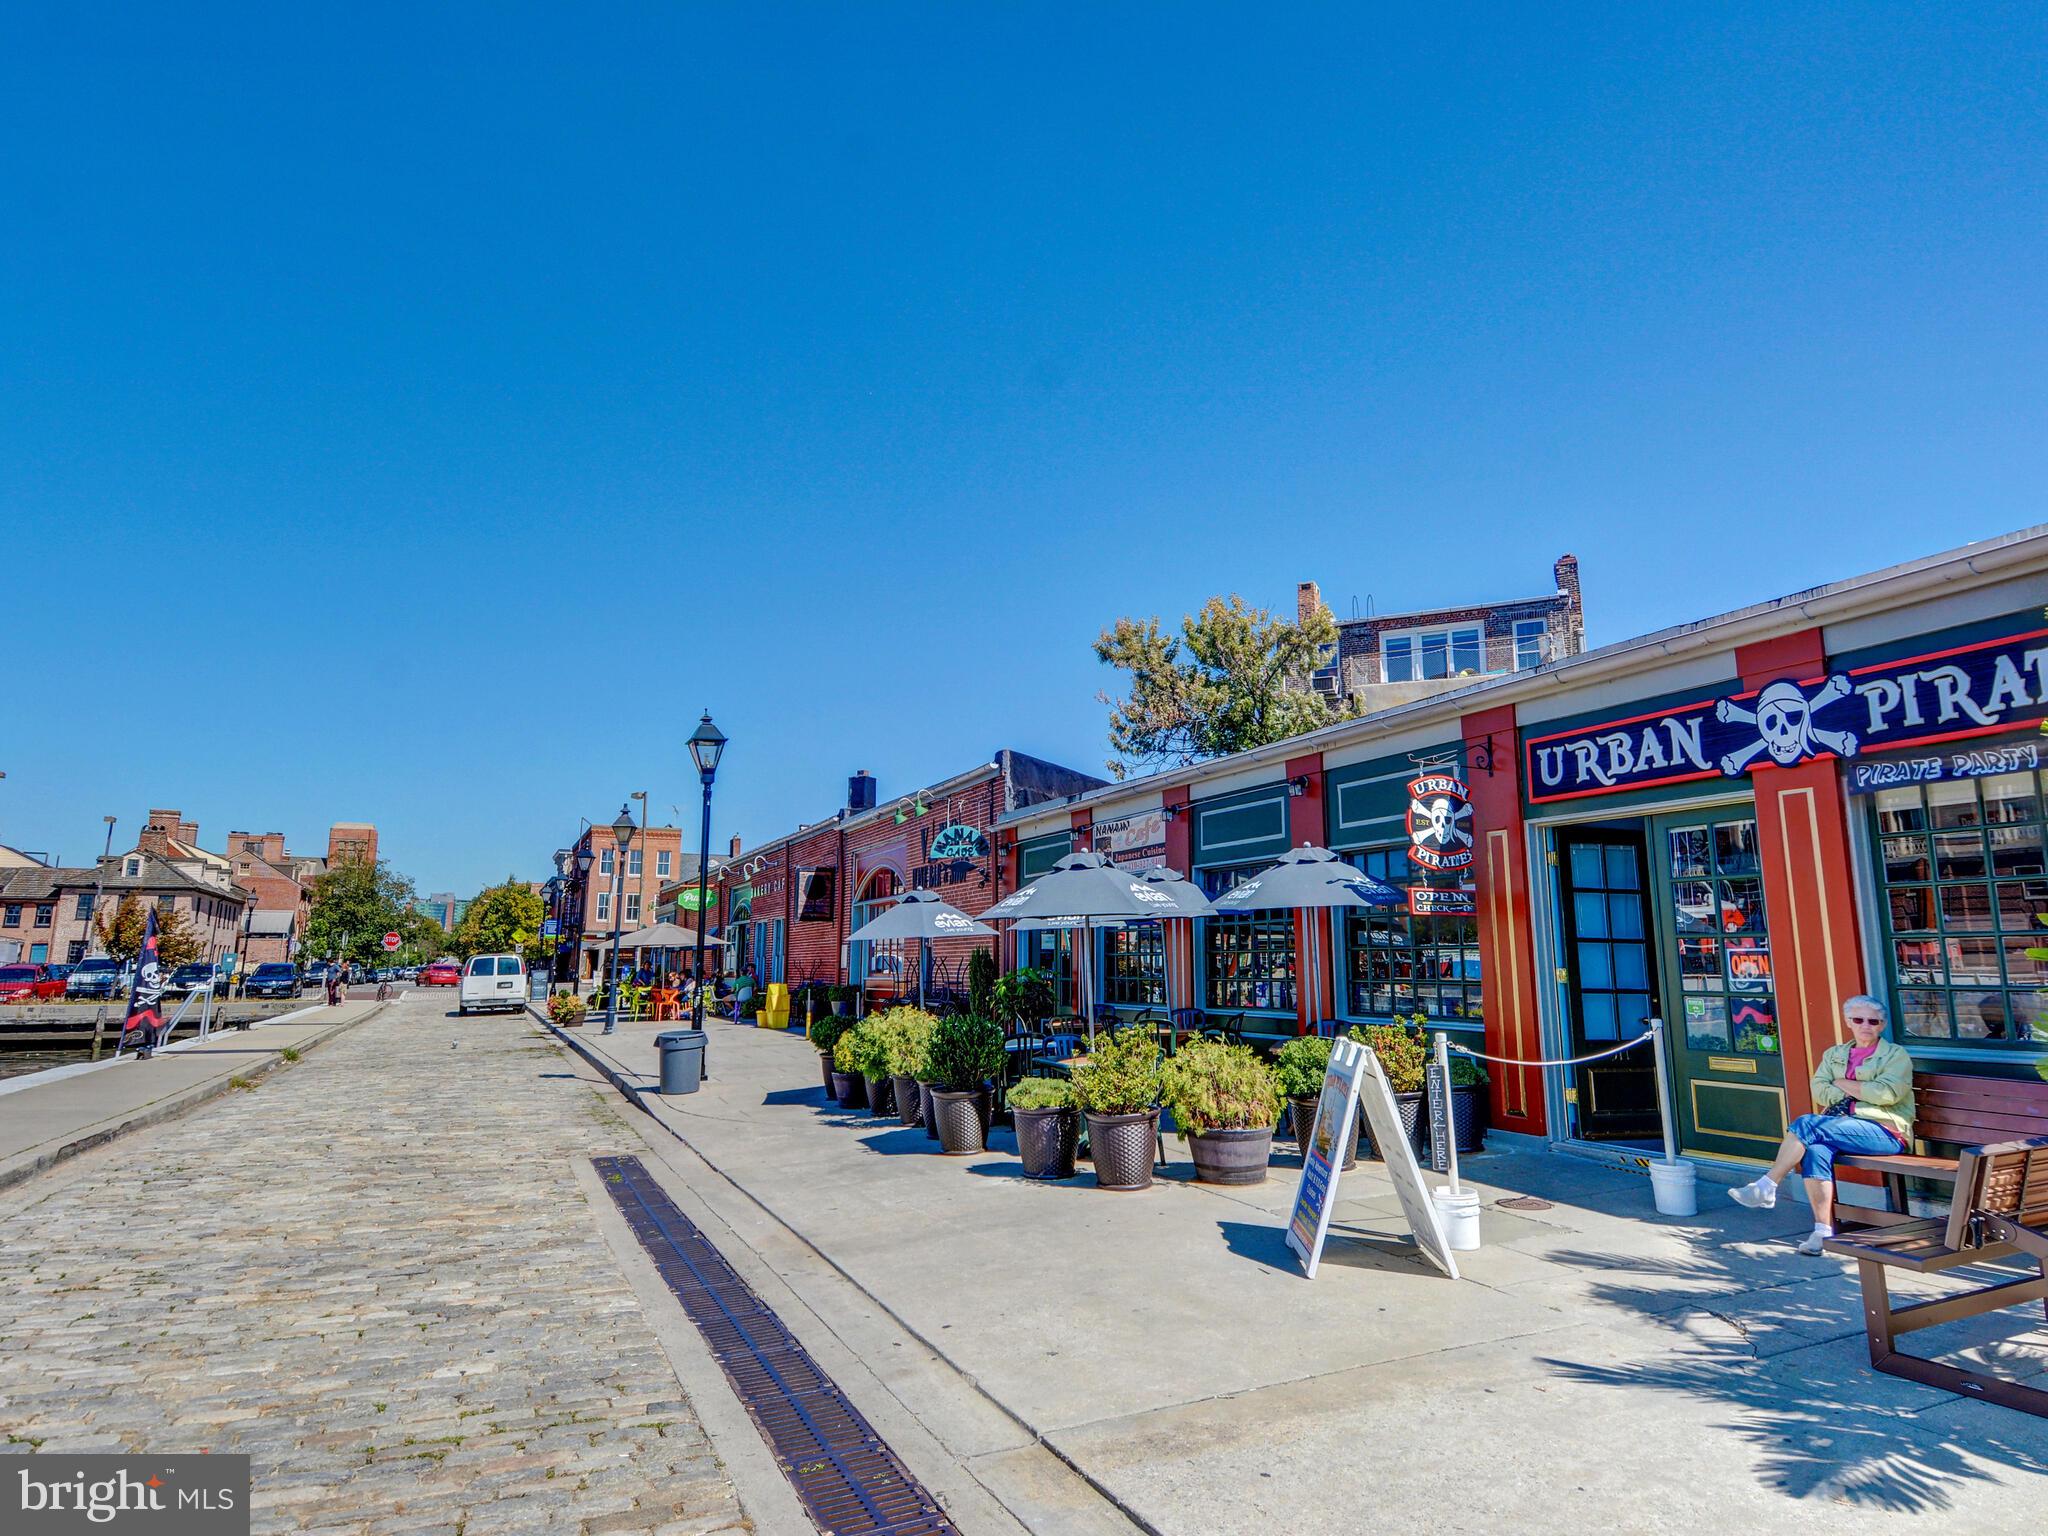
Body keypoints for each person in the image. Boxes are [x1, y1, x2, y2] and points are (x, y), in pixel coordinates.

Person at [1729, 995, 1915, 1255]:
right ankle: (1822, 1232)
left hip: (1885, 1130)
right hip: (1841, 1127)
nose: (1866, 1026)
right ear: (1849, 1022)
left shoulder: (1895, 1055)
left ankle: (1768, 1185)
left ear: (1881, 1025)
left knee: (1806, 1124)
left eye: (1873, 1021)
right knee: (1815, 1150)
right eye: (1859, 1019)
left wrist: (1841, 1083)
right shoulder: (1835, 1054)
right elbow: (1819, 1091)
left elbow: (1886, 1095)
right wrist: (1859, 1089)